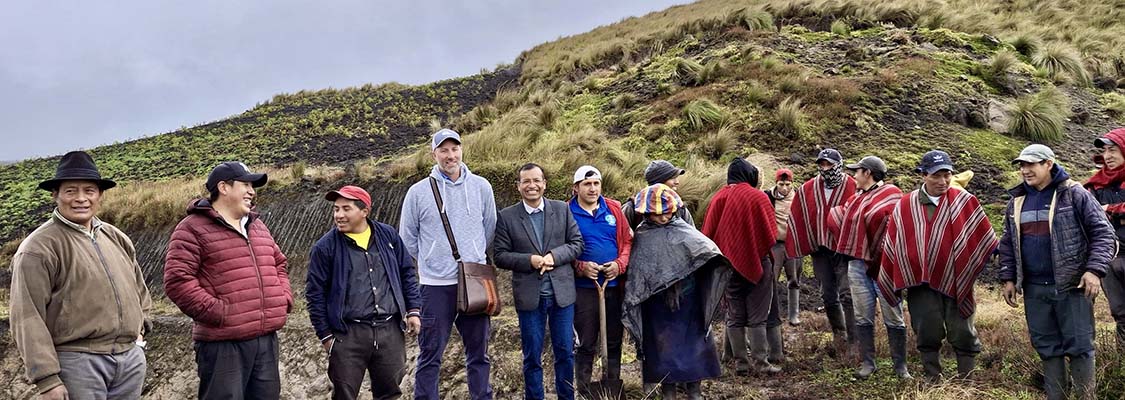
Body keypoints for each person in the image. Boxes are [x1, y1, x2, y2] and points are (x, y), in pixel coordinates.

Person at [10, 151, 153, 400]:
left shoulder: (116, 237)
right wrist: (47, 379)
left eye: (89, 190)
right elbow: (26, 316)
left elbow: (139, 289)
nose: (81, 199)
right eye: (70, 191)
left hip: (129, 360)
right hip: (77, 362)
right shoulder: (38, 248)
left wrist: (142, 327)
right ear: (55, 195)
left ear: (99, 195)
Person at [164, 161, 293, 399]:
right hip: (223, 345)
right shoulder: (191, 228)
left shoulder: (257, 226)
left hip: (265, 340)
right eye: (245, 184)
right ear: (223, 187)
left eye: (252, 186)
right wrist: (219, 313)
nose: (252, 191)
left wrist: (282, 299)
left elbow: (279, 263)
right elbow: (177, 280)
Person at [999, 145, 1114, 399]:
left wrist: (1094, 270)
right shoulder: (1017, 200)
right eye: (1022, 165)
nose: (1025, 170)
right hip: (1034, 289)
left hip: (1071, 287)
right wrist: (1008, 277)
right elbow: (1007, 242)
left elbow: (1104, 234)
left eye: (1031, 164)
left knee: (1080, 347)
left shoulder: (1074, 194)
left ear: (1049, 164)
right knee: (1047, 348)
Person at [877, 150, 997, 381]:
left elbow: (982, 235)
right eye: (936, 176)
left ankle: (967, 382)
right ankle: (933, 380)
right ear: (923, 175)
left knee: (962, 329)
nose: (942, 181)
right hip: (920, 283)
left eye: (947, 175)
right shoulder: (906, 204)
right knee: (926, 329)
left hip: (956, 278)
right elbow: (895, 242)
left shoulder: (964, 201)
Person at [399, 129, 497, 400]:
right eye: (444, 150)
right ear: (434, 154)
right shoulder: (417, 192)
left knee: (479, 353)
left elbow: (489, 228)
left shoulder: (481, 187)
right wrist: (432, 260)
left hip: (475, 282)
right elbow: (407, 239)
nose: (450, 155)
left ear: (461, 150)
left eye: (454, 149)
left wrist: (473, 255)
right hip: (434, 286)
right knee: (430, 355)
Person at [305, 185, 422, 400]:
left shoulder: (388, 237)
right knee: (344, 395)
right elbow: (315, 294)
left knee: (390, 394)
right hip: (347, 335)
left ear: (364, 211)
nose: (339, 215)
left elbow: (407, 272)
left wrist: (413, 310)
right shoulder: (325, 248)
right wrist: (325, 335)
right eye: (336, 209)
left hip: (390, 331)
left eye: (346, 209)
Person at [623, 184, 729, 400]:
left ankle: (694, 390)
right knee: (662, 348)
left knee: (694, 344)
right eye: (657, 213)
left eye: (666, 212)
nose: (663, 217)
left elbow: (705, 251)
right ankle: (668, 390)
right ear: (647, 212)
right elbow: (638, 272)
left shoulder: (683, 230)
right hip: (656, 304)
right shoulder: (643, 235)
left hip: (687, 300)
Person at [493, 163, 585, 400]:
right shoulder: (506, 216)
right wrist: (530, 260)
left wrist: (554, 256)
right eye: (526, 181)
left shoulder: (561, 210)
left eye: (536, 180)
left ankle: (567, 396)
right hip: (530, 297)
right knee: (532, 356)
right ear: (519, 186)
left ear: (544, 183)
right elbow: (500, 255)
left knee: (565, 352)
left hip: (562, 296)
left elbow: (576, 244)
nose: (532, 185)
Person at [828, 156, 908, 379]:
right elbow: (840, 219)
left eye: (857, 171)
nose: (853, 176)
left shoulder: (892, 194)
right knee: (863, 315)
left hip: (884, 265)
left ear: (868, 173)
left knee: (893, 314)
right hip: (856, 264)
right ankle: (867, 363)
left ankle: (900, 366)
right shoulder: (855, 199)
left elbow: (895, 226)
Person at [702, 158, 781, 375]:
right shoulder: (758, 196)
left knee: (734, 314)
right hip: (758, 262)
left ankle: (741, 364)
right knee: (758, 315)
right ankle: (761, 364)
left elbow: (707, 235)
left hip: (728, 266)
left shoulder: (719, 197)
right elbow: (770, 233)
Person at [567, 166, 632, 394]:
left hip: (613, 286)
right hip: (584, 289)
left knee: (613, 340)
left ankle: (611, 384)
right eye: (587, 184)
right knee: (586, 342)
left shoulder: (613, 208)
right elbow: (563, 249)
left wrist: (619, 265)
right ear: (576, 188)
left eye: (596, 183)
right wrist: (581, 267)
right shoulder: (567, 212)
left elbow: (626, 242)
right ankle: (584, 390)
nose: (592, 188)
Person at [785, 148, 857, 353]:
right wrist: (803, 242)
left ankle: (854, 341)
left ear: (839, 165)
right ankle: (839, 334)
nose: (826, 168)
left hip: (844, 250)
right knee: (827, 294)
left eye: (830, 164)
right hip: (820, 250)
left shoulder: (852, 185)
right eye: (822, 164)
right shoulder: (808, 188)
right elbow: (798, 215)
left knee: (847, 293)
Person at [1085, 127, 1125, 351]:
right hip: (1111, 253)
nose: (1107, 156)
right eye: (1105, 151)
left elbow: (1101, 210)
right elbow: (1088, 211)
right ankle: (1122, 369)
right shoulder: (1096, 184)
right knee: (1120, 311)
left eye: (1113, 150)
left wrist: (1111, 208)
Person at [768, 168, 803, 326]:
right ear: (776, 183)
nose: (784, 187)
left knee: (794, 279)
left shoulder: (798, 197)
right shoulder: (767, 196)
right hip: (774, 244)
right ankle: (770, 313)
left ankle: (793, 315)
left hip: (793, 244)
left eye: (787, 184)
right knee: (770, 279)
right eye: (781, 184)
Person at [622, 160, 695, 228]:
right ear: (658, 182)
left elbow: (692, 236)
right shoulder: (631, 208)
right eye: (672, 178)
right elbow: (621, 236)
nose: (677, 182)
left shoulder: (679, 207)